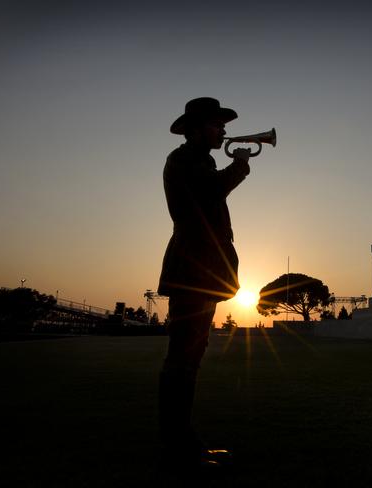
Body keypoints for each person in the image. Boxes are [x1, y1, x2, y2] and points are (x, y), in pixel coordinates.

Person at [157, 97, 251, 472]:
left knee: (189, 358)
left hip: (198, 270)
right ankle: (179, 448)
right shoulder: (185, 160)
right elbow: (211, 191)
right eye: (216, 124)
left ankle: (181, 444)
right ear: (196, 129)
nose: (224, 130)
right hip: (192, 270)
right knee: (183, 360)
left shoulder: (197, 159)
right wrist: (240, 165)